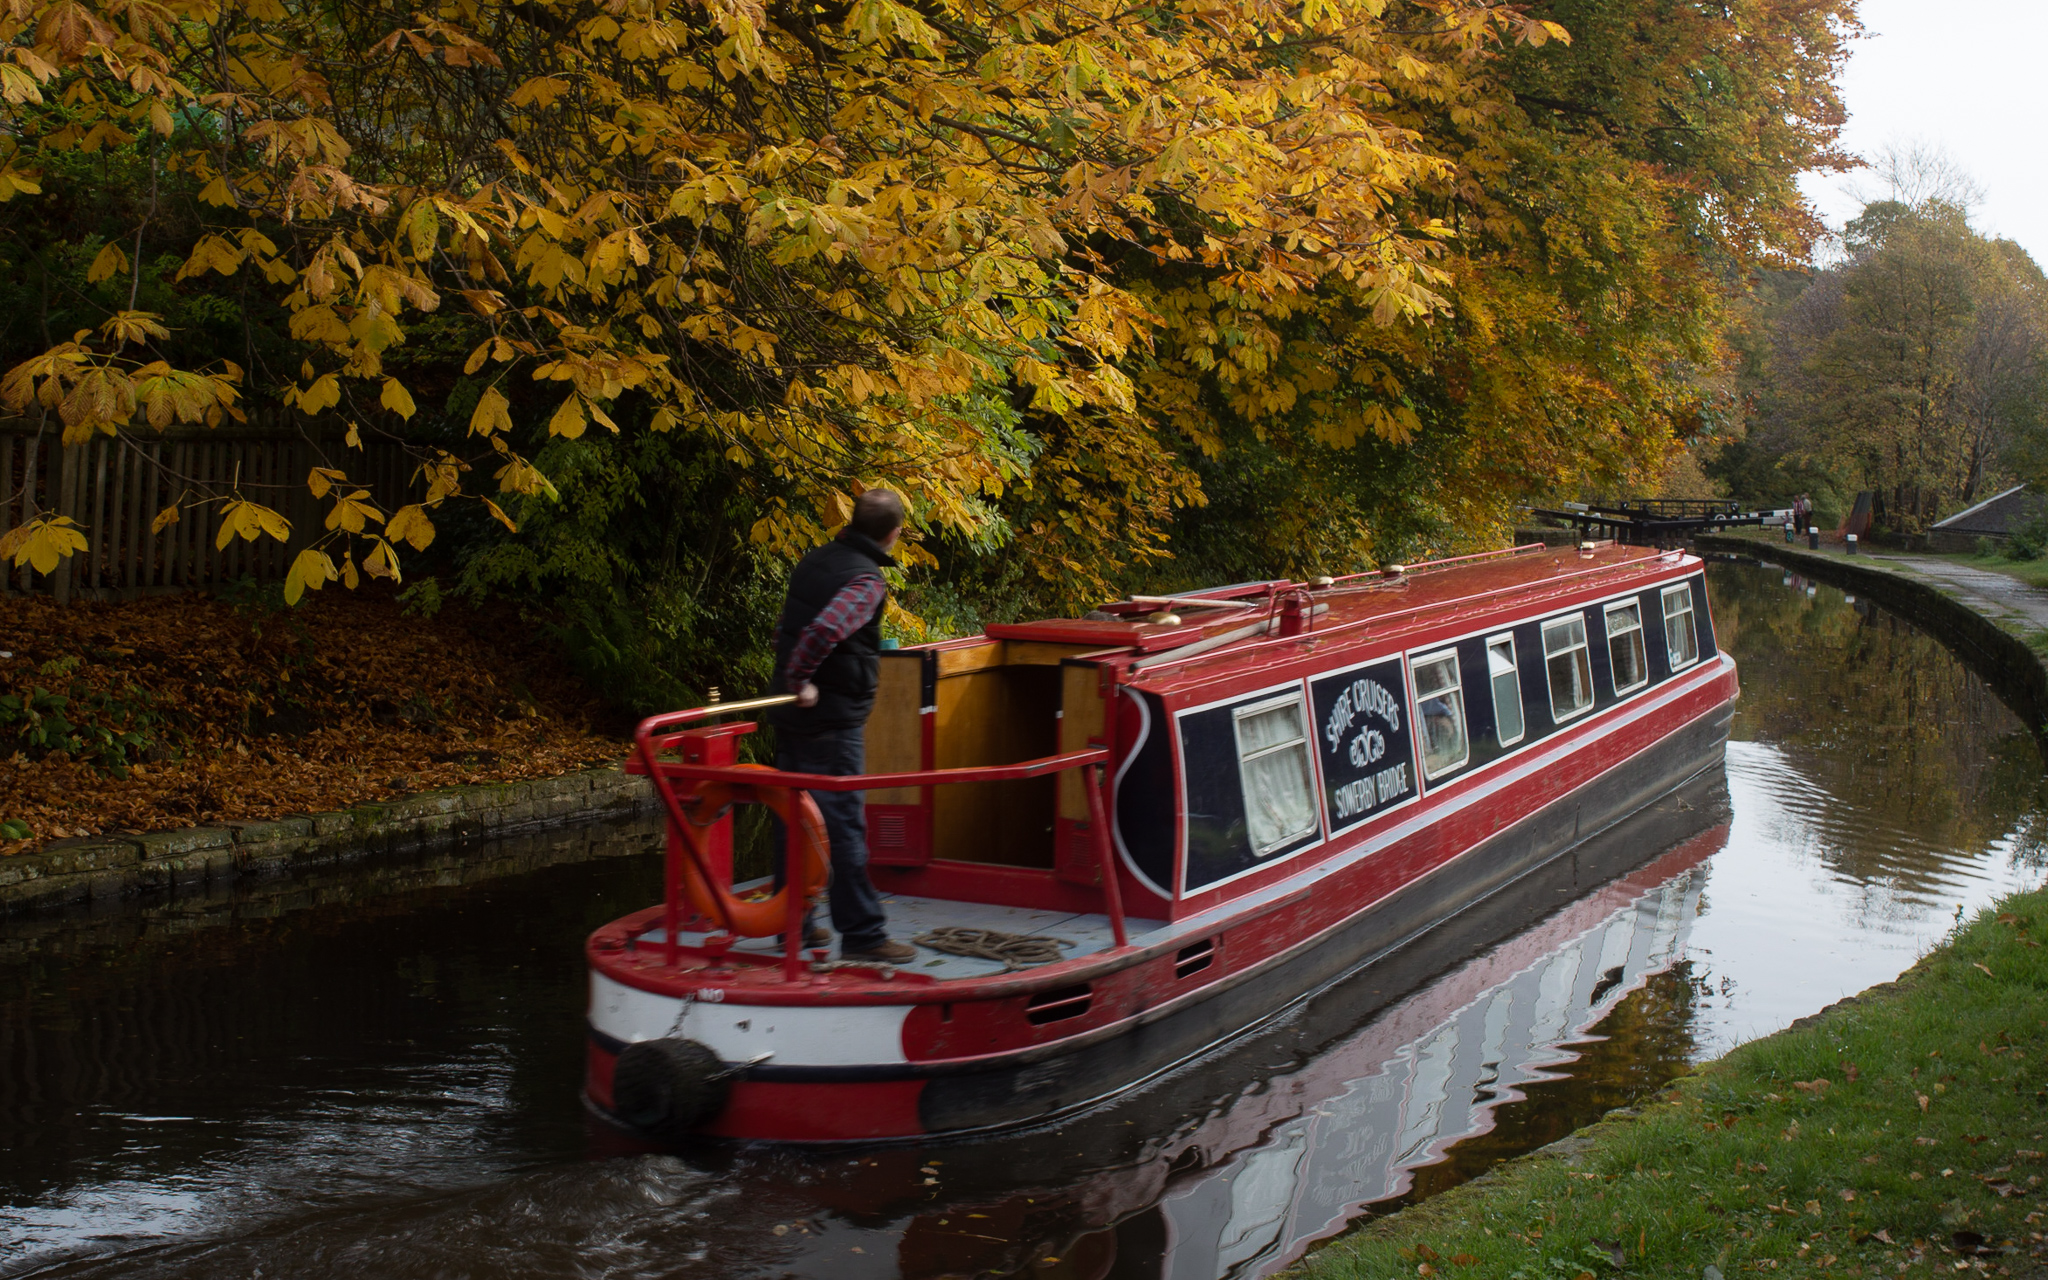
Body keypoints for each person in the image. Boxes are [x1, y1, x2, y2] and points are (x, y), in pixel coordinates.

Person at [766, 490, 917, 964]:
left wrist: (791, 680)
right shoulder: (866, 581)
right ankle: (864, 934)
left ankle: (794, 925)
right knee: (844, 825)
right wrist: (802, 679)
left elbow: (789, 626)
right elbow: (824, 631)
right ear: (893, 534)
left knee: (793, 820)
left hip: (791, 716)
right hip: (829, 720)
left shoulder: (817, 560)